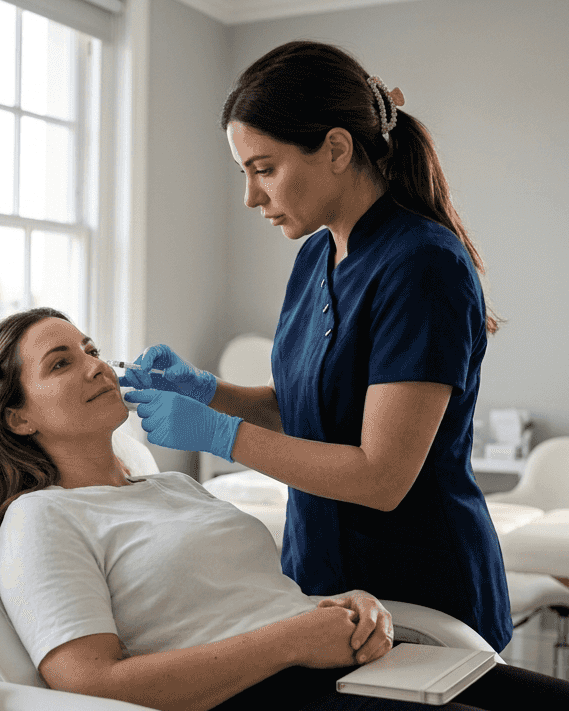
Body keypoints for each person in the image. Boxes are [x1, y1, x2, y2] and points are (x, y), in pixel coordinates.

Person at [0, 307, 569, 711]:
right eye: (61, 362)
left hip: (344, 669)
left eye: (88, 346)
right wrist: (290, 642)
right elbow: (90, 683)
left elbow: (244, 600)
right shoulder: (41, 519)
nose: (93, 364)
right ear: (18, 417)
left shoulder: (170, 486)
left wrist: (343, 608)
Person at [122, 40, 512, 652]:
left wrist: (218, 436)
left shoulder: (422, 265)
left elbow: (382, 476)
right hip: (321, 583)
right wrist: (208, 393)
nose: (252, 197)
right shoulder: (316, 255)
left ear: (336, 148)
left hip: (421, 594)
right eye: (245, 172)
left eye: (265, 168)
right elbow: (312, 412)